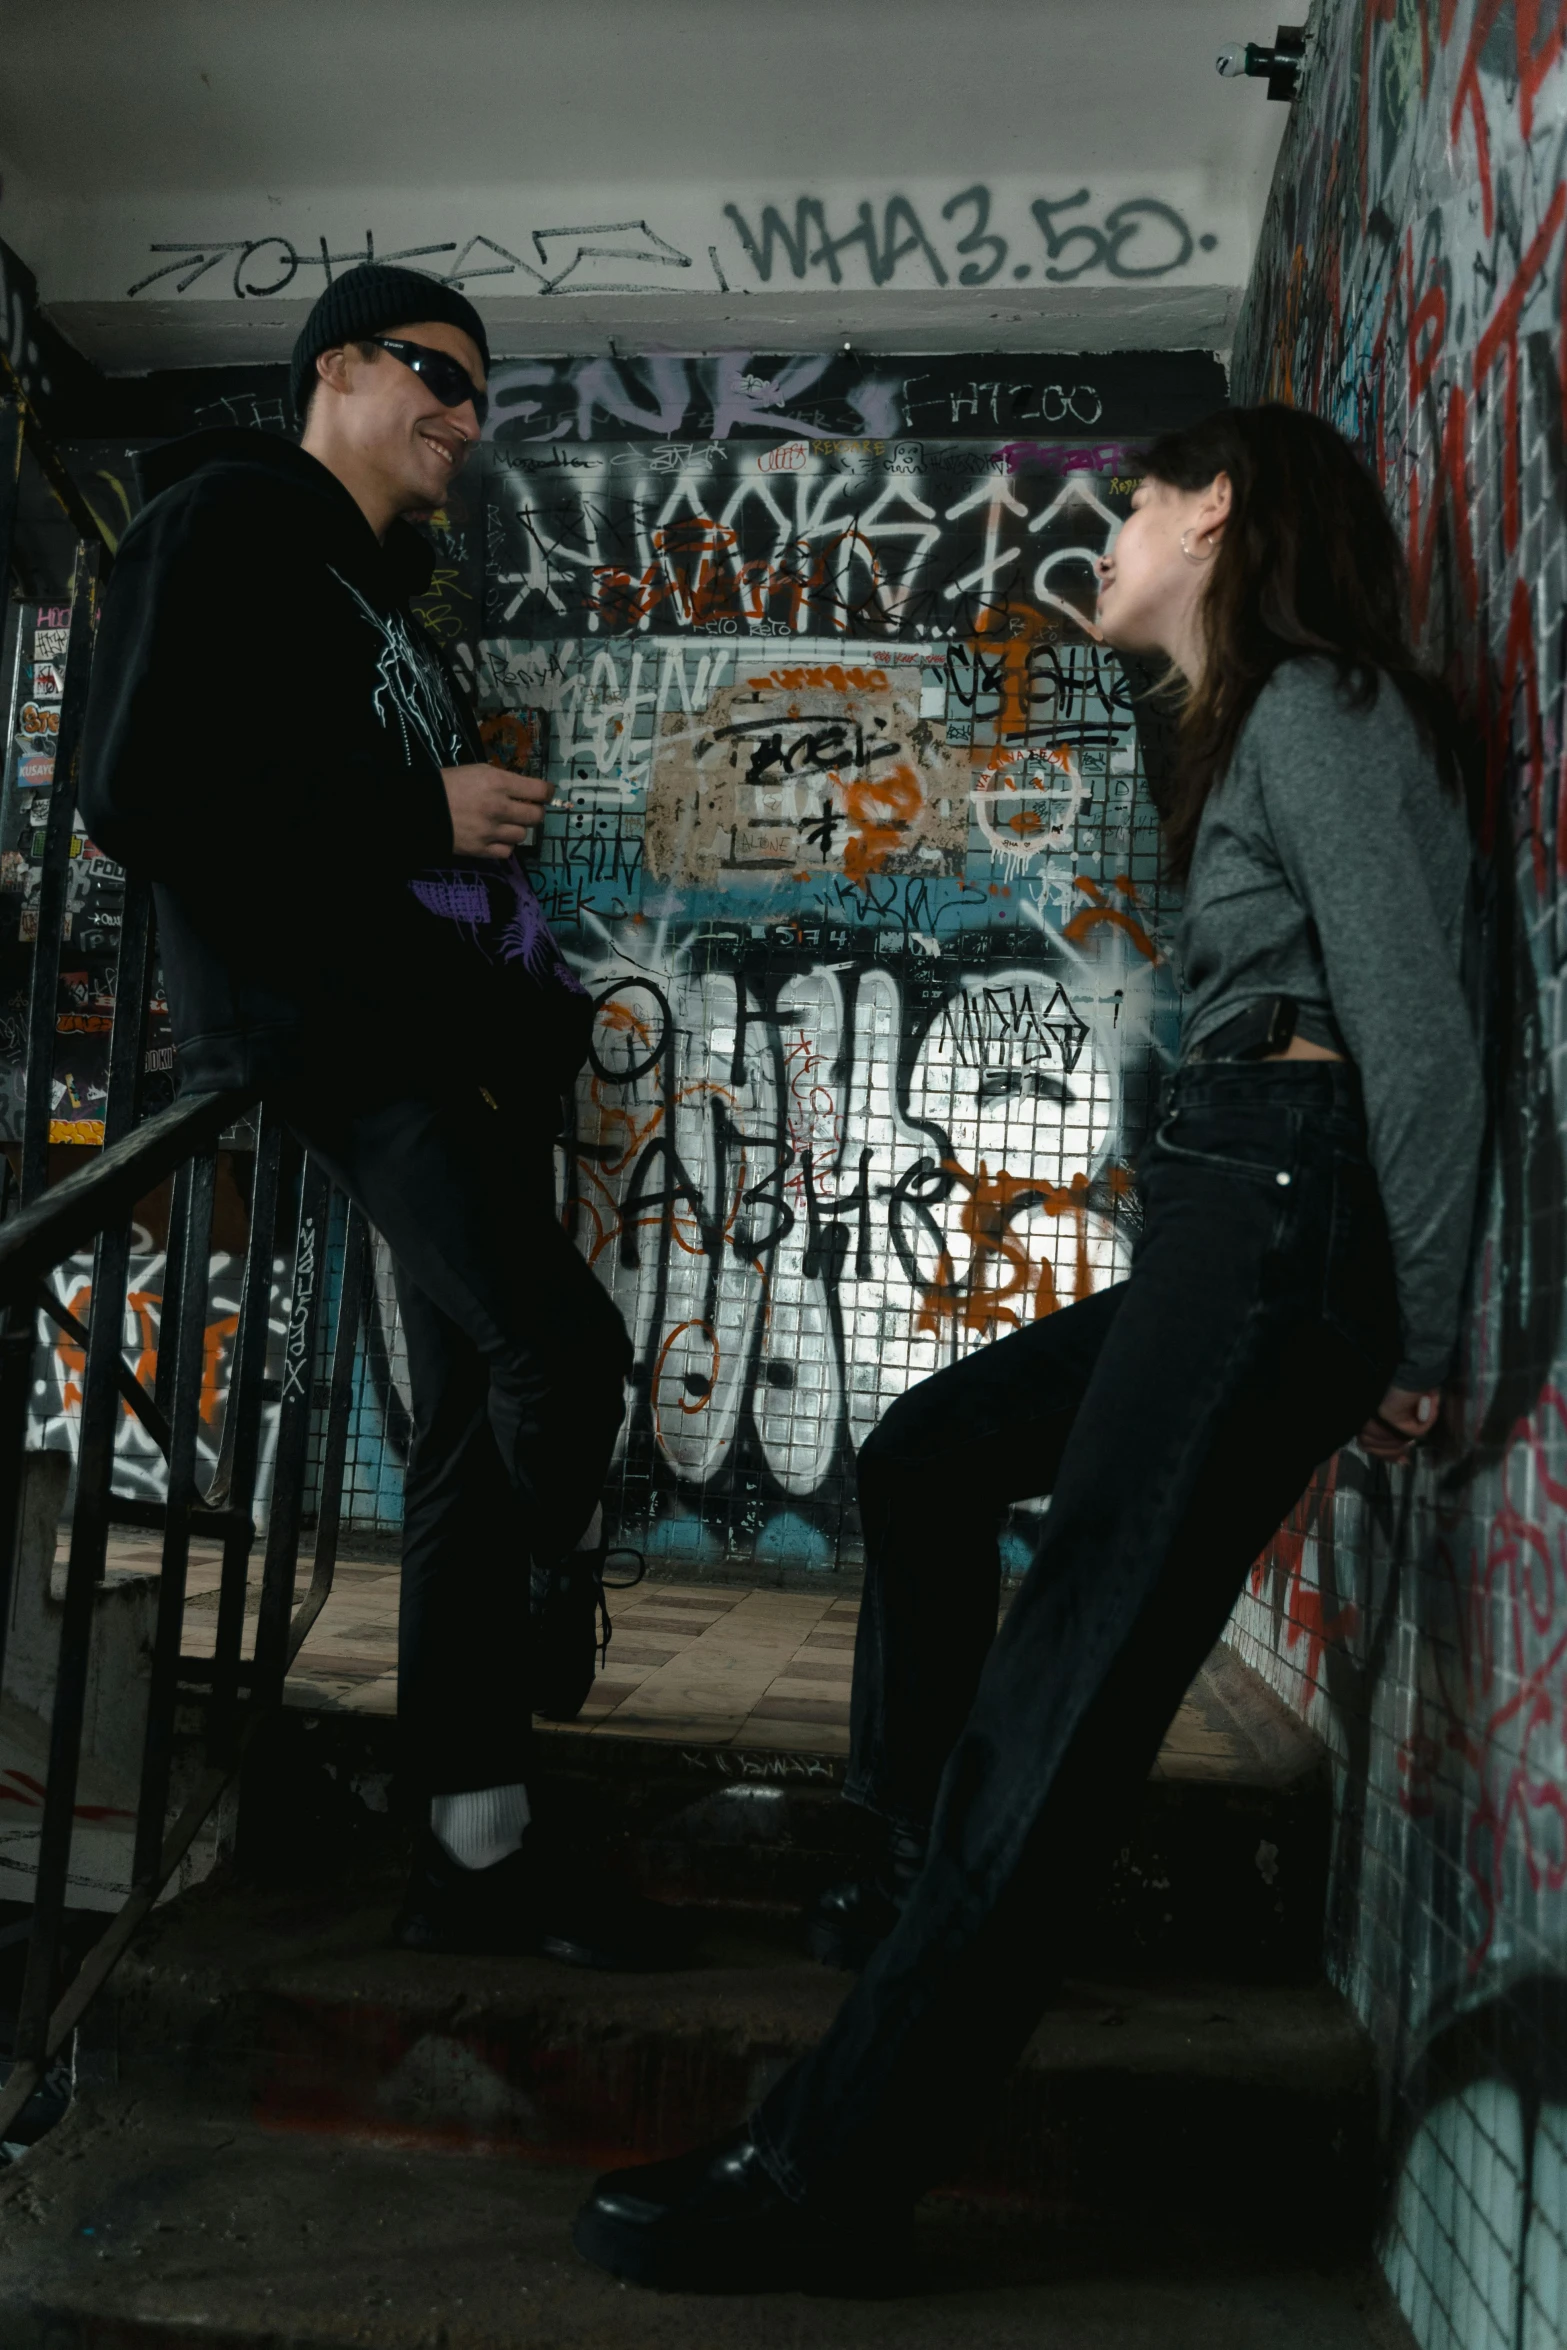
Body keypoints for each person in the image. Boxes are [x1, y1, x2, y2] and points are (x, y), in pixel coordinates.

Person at [571, 402, 1485, 2285]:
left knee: (1062, 1694)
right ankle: (912, 1871)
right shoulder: (1254, 727)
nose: (1114, 530)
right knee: (924, 1453)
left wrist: (1425, 1322)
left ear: (1216, 508)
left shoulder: (1324, 711)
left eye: (1137, 498)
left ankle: (830, 2171)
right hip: (1244, 1213)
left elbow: (1420, 1034)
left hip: (1286, 1222)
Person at [79, 264, 673, 1970]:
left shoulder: (375, 599)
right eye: (436, 376)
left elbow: (399, 848)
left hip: (438, 1043)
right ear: (333, 365)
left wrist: (521, 971)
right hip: (338, 1040)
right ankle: (552, 1598)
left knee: (456, 1437)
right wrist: (423, 800)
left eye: (478, 396)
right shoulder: (223, 528)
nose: (463, 420)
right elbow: (141, 789)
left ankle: (476, 1849)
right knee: (558, 1352)